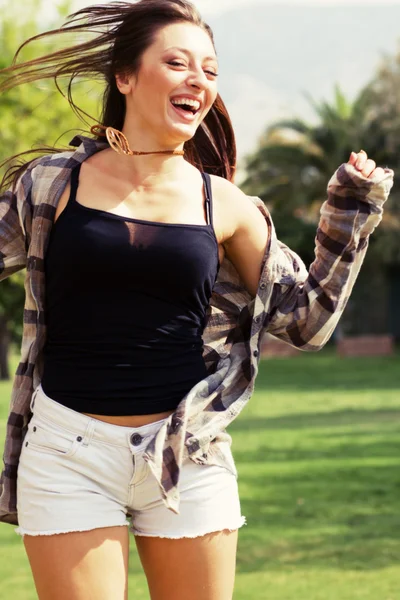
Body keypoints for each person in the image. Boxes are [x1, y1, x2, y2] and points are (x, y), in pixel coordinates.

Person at [0, 1, 394, 599]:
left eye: (210, 70)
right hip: (67, 452)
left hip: (188, 453)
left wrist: (350, 212)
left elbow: (306, 321)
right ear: (125, 77)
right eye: (178, 63)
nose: (198, 80)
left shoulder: (226, 205)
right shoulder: (53, 185)